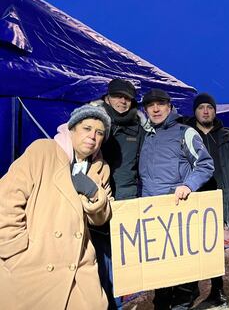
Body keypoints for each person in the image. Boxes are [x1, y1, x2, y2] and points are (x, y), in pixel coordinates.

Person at [0, 105, 113, 309]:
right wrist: (14, 250)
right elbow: (6, 199)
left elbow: (102, 219)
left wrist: (95, 194)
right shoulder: (43, 151)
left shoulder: (100, 168)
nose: (92, 137)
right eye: (87, 128)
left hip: (78, 268)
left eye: (99, 133)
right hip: (33, 264)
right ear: (72, 129)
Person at [138, 88, 215, 310]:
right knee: (159, 270)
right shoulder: (145, 135)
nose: (155, 108)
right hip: (152, 213)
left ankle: (182, 302)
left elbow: (205, 164)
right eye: (150, 105)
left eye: (160, 103)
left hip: (178, 211)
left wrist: (188, 185)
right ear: (145, 110)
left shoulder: (185, 132)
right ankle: (161, 303)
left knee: (181, 268)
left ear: (169, 106)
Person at [90, 78, 145, 309]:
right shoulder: (94, 123)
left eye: (127, 98)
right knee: (96, 258)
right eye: (118, 96)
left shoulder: (138, 127)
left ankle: (117, 304)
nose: (122, 101)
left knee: (119, 259)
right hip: (95, 202)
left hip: (125, 201)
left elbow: (144, 162)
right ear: (107, 97)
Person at [186, 93, 229, 307]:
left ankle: (217, 289)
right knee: (190, 245)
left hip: (218, 197)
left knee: (214, 246)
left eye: (209, 107)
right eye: (201, 107)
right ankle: (191, 289)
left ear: (215, 111)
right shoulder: (186, 134)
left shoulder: (226, 134)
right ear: (195, 111)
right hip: (194, 196)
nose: (206, 111)